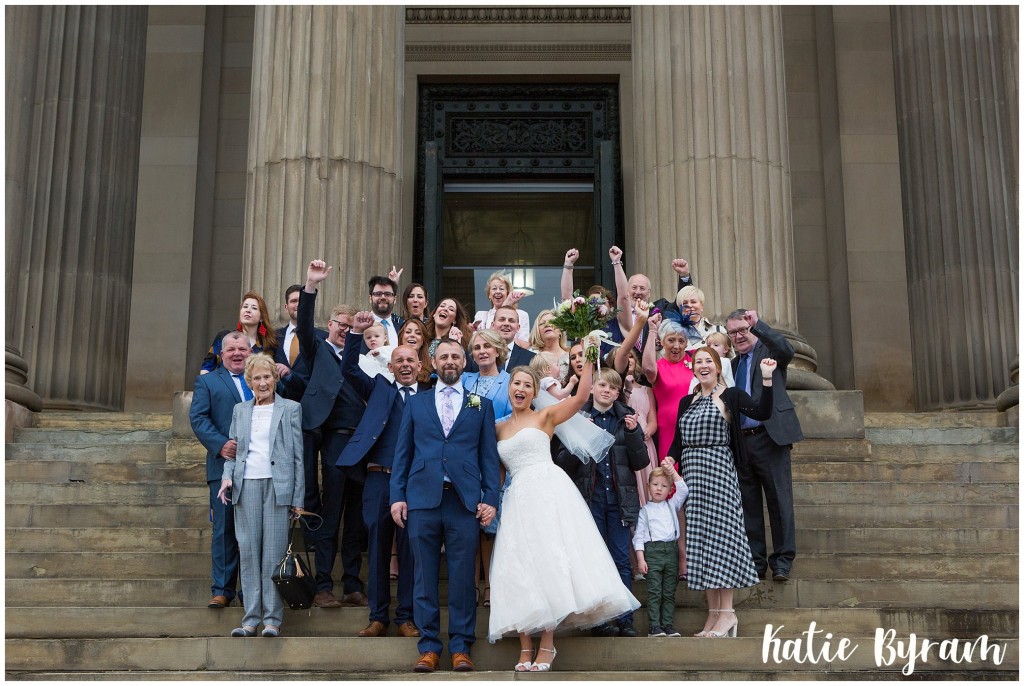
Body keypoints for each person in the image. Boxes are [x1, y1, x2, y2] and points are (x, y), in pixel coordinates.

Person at [489, 361, 641, 672]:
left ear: (534, 392)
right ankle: (524, 646)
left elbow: (582, 396)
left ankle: (547, 644)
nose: (520, 389)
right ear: (509, 388)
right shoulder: (498, 428)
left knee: (549, 563)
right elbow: (499, 473)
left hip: (548, 493)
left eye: (527, 385)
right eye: (516, 384)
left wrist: (588, 358)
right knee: (519, 567)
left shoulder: (545, 416)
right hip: (517, 499)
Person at [389, 339, 501, 674]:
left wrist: (491, 499)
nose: (450, 361)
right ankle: (428, 648)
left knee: (464, 577)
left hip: (464, 501)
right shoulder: (417, 404)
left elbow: (489, 457)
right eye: (443, 357)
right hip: (422, 499)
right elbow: (402, 454)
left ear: (463, 361)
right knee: (423, 576)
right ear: (433, 363)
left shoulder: (480, 405)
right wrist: (397, 495)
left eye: (455, 356)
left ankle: (461, 647)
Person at [666, 347, 777, 638]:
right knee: (701, 544)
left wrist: (766, 379)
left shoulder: (731, 396)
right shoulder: (686, 401)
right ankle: (713, 615)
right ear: (693, 369)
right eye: (698, 362)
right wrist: (669, 458)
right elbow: (678, 440)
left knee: (721, 540)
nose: (702, 366)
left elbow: (763, 412)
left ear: (718, 367)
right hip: (692, 475)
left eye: (708, 361)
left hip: (719, 473)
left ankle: (727, 613)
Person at [337, 312, 422, 639]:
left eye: (409, 360)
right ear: (390, 366)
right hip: (377, 478)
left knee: (410, 549)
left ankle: (406, 617)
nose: (403, 365)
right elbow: (348, 369)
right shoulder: (379, 390)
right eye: (397, 360)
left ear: (418, 366)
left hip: (413, 483)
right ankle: (377, 618)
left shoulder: (428, 397)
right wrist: (357, 332)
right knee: (376, 548)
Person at [555, 368, 649, 638]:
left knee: (621, 559)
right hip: (589, 500)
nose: (607, 391)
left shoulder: (626, 420)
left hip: (618, 501)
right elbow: (562, 462)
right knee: (593, 560)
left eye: (613, 388)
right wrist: (584, 438)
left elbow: (640, 462)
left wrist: (633, 434)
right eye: (602, 385)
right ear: (592, 388)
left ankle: (625, 619)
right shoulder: (578, 418)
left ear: (618, 393)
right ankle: (599, 620)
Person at [216, 354, 304, 637]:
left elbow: (298, 457)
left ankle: (272, 619)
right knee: (250, 552)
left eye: (267, 377)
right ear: (249, 382)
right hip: (246, 486)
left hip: (279, 488)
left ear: (274, 379)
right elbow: (234, 450)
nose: (263, 382)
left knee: (274, 555)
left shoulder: (291, 408)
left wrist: (298, 499)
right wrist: (226, 477)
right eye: (257, 378)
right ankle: (250, 618)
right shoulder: (240, 410)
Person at [298, 260, 368, 609]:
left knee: (357, 516)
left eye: (351, 326)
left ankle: (353, 583)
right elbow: (302, 329)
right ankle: (324, 584)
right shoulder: (318, 351)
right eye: (341, 324)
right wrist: (311, 285)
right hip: (335, 438)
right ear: (330, 325)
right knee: (332, 509)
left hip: (366, 442)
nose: (345, 330)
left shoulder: (366, 356)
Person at [726, 309, 803, 583]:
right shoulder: (731, 367)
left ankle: (782, 562)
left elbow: (787, 350)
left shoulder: (770, 352)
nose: (738, 336)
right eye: (732, 332)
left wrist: (759, 325)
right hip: (743, 443)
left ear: (751, 330)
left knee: (779, 501)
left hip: (771, 438)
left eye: (742, 330)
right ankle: (756, 563)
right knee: (749, 506)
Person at [190, 331, 250, 609]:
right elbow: (198, 418)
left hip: (259, 469)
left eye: (243, 349)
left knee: (253, 532)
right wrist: (220, 444)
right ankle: (223, 589)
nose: (237, 354)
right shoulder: (208, 381)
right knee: (224, 531)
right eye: (231, 350)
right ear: (221, 354)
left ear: (251, 352)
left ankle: (250, 591)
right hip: (222, 468)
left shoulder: (262, 379)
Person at [633, 461, 688, 638]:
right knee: (655, 590)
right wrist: (641, 559)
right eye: (655, 485)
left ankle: (667, 624)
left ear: (669, 488)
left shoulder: (672, 505)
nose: (659, 489)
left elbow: (684, 490)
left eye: (664, 486)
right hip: (653, 552)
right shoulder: (644, 511)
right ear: (648, 487)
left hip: (671, 551)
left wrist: (672, 472)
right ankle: (654, 627)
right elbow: (639, 537)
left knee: (669, 591)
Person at [200, 292, 281, 374]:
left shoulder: (268, 345)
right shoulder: (224, 337)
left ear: (261, 317)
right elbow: (207, 367)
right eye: (245, 306)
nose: (248, 310)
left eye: (254, 308)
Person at [274, 284, 327, 401]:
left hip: (312, 402)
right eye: (293, 301)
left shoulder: (323, 337)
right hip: (280, 402)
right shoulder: (273, 337)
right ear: (286, 307)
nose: (298, 304)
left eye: (301, 300)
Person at [465, 304, 536, 373]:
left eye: (511, 321)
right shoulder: (473, 355)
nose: (506, 324)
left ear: (518, 328)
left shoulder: (531, 358)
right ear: (492, 325)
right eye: (502, 319)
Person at [662, 285, 727, 349]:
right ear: (679, 308)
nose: (689, 305)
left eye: (693, 302)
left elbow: (730, 357)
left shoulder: (719, 331)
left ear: (702, 306)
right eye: (685, 303)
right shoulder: (672, 333)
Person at [473, 271, 530, 342]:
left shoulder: (522, 315)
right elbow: (479, 342)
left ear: (508, 294)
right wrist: (505, 306)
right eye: (494, 288)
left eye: (501, 289)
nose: (497, 291)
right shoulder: (481, 316)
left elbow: (524, 343)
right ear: (489, 295)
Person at [527, 309, 569, 379]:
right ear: (537, 331)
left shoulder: (571, 357)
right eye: (542, 323)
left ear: (560, 331)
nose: (547, 325)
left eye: (552, 322)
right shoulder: (531, 355)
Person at [367, 275, 403, 346]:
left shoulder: (402, 328)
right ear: (370, 298)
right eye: (378, 294)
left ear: (395, 299)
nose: (383, 297)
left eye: (388, 294)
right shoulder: (360, 327)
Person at [396, 318, 434, 384]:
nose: (412, 335)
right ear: (401, 337)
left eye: (418, 333)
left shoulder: (433, 369)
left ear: (423, 340)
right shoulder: (389, 364)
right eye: (408, 332)